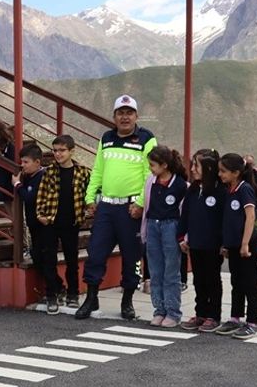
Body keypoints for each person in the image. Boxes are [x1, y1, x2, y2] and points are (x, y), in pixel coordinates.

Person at [76, 94, 156, 321]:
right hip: (107, 207)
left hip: (131, 209)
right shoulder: (107, 138)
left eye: (129, 113)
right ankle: (91, 299)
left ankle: (127, 300)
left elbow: (149, 174)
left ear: (136, 116)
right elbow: (98, 170)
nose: (125, 117)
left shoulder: (146, 138)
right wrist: (89, 198)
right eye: (120, 113)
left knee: (132, 256)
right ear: (114, 116)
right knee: (95, 253)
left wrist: (140, 203)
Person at [32, 135, 91, 312]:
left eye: (62, 150)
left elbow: (90, 192)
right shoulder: (49, 172)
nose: (58, 154)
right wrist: (40, 214)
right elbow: (41, 194)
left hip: (71, 223)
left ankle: (73, 293)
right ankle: (52, 295)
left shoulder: (82, 172)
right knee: (49, 259)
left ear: (72, 151)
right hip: (50, 222)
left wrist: (89, 208)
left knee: (71, 260)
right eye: (55, 150)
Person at [214, 153, 257, 339]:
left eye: (223, 171)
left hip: (247, 243)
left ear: (236, 173)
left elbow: (250, 217)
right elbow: (229, 220)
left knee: (249, 282)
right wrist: (226, 244)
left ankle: (252, 323)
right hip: (232, 244)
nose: (220, 174)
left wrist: (244, 244)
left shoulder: (245, 189)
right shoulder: (229, 190)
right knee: (236, 282)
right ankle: (235, 318)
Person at [179, 149, 225, 332]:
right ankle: (201, 313)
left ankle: (213, 315)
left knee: (212, 280)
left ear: (208, 167)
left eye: (196, 165)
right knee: (198, 279)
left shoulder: (219, 190)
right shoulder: (193, 189)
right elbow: (185, 216)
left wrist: (224, 242)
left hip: (213, 245)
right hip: (195, 243)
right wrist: (181, 237)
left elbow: (224, 219)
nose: (192, 168)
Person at [142, 146, 187, 328]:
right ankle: (159, 310)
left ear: (165, 165)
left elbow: (185, 212)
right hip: (153, 225)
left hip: (171, 226)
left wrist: (183, 236)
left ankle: (173, 312)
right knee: (155, 271)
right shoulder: (150, 181)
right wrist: (144, 230)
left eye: (153, 165)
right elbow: (146, 207)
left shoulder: (180, 185)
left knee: (171, 272)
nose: (151, 169)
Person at [14, 143, 51, 311]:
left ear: (37, 162)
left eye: (26, 162)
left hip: (44, 224)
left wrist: (17, 185)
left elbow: (30, 198)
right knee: (38, 257)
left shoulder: (41, 177)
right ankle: (52, 288)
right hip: (33, 224)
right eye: (22, 162)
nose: (23, 165)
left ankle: (54, 290)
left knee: (44, 257)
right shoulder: (28, 176)